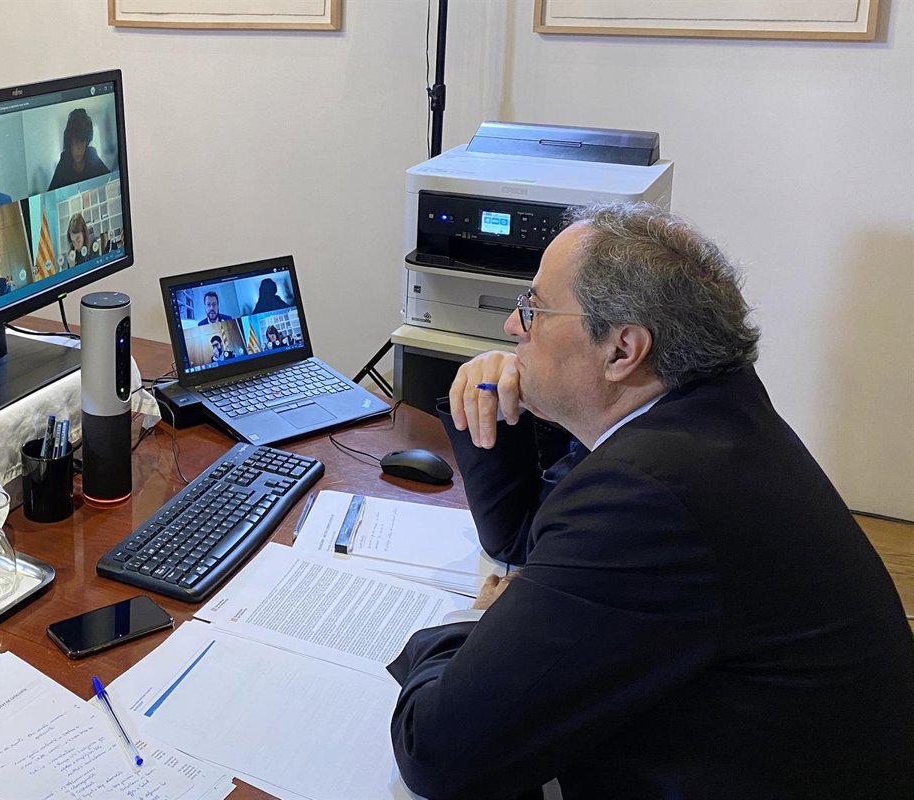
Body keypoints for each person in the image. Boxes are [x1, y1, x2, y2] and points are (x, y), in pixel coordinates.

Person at [387, 202, 914, 800]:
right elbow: (524, 540)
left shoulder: (648, 491)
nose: (511, 326)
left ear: (622, 350)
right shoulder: (704, 411)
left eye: (534, 308)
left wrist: (470, 627)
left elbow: (437, 754)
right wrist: (498, 404)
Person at [48, 108, 110, 190]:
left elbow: (110, 181)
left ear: (86, 142)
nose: (79, 148)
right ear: (70, 142)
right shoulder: (65, 159)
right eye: (75, 142)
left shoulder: (91, 154)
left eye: (82, 141)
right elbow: (51, 191)